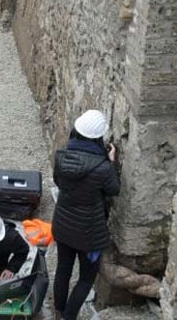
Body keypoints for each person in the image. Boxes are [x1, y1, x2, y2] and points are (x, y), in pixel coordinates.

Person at [51, 109, 120, 320]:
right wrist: (111, 163)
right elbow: (113, 190)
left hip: (63, 224)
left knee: (63, 269)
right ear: (98, 137)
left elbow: (58, 182)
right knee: (86, 278)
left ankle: (59, 310)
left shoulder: (61, 157)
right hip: (89, 234)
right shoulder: (103, 167)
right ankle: (69, 317)